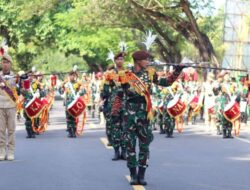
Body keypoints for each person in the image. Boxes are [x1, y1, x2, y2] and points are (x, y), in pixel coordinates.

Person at [119, 50, 184, 185]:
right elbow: (120, 93)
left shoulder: (150, 74)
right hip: (129, 115)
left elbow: (166, 82)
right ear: (138, 61)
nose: (148, 62)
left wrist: (177, 71)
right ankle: (133, 174)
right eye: (146, 60)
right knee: (130, 146)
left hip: (144, 115)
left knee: (144, 146)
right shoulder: (126, 75)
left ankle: (141, 175)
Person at [103, 52, 127, 160]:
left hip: (126, 102)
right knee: (116, 128)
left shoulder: (128, 73)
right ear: (115, 61)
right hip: (114, 102)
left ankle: (125, 152)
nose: (120, 61)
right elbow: (106, 89)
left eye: (121, 59)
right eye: (118, 59)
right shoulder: (110, 74)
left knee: (126, 128)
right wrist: (107, 99)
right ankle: (117, 152)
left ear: (124, 60)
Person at [0, 54, 17, 161]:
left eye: (7, 62)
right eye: (3, 62)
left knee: (11, 130)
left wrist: (24, 78)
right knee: (0, 130)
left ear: (10, 64)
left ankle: (10, 151)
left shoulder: (15, 77)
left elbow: (21, 89)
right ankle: (1, 151)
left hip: (11, 106)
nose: (5, 64)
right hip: (0, 106)